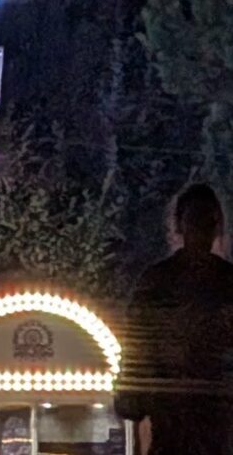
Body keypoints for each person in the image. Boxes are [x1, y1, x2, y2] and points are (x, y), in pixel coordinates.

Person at [118, 181, 233, 451]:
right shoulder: (227, 282)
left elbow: (137, 345)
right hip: (210, 413)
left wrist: (132, 394)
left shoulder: (157, 280)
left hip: (175, 412)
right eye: (200, 219)